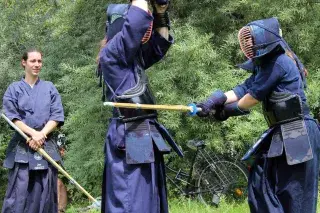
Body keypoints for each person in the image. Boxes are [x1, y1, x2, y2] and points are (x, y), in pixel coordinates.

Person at [195, 18, 320, 213]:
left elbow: (252, 97)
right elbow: (243, 88)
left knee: (295, 197)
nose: (249, 44)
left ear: (265, 40)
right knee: (261, 182)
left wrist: (226, 111)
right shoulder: (266, 65)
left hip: (299, 132)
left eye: (252, 40)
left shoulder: (280, 62)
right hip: (283, 132)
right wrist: (213, 101)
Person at [97, 0, 182, 212]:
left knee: (147, 198)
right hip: (130, 132)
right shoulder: (113, 53)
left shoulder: (132, 57)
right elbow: (135, 24)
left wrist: (160, 13)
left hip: (141, 132)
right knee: (133, 200)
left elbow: (159, 45)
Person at [1, 48, 65, 213]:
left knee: (46, 195)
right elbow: (12, 117)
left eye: (39, 61)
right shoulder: (13, 89)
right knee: (19, 195)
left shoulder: (49, 87)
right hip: (22, 147)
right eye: (33, 61)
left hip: (46, 145)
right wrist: (33, 134)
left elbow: (57, 116)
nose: (37, 65)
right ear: (24, 62)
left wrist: (41, 134)